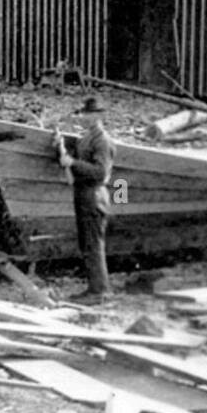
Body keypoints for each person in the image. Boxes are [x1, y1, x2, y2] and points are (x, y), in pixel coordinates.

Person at [55, 95, 116, 301]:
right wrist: (61, 147)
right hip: (84, 193)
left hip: (94, 194)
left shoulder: (102, 141)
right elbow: (78, 158)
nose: (85, 117)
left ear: (99, 116)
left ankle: (100, 291)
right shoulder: (87, 137)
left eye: (90, 114)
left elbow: (100, 172)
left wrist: (71, 162)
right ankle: (94, 288)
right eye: (84, 113)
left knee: (93, 243)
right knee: (87, 243)